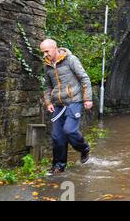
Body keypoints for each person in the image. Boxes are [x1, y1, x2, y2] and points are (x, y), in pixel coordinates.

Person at [40, 39, 92, 174]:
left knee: (69, 130)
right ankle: (58, 166)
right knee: (57, 136)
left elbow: (84, 78)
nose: (45, 55)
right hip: (58, 105)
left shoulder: (71, 60)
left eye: (46, 51)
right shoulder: (47, 66)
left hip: (74, 101)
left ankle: (84, 148)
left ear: (55, 48)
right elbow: (48, 86)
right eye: (43, 52)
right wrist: (48, 102)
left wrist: (87, 98)